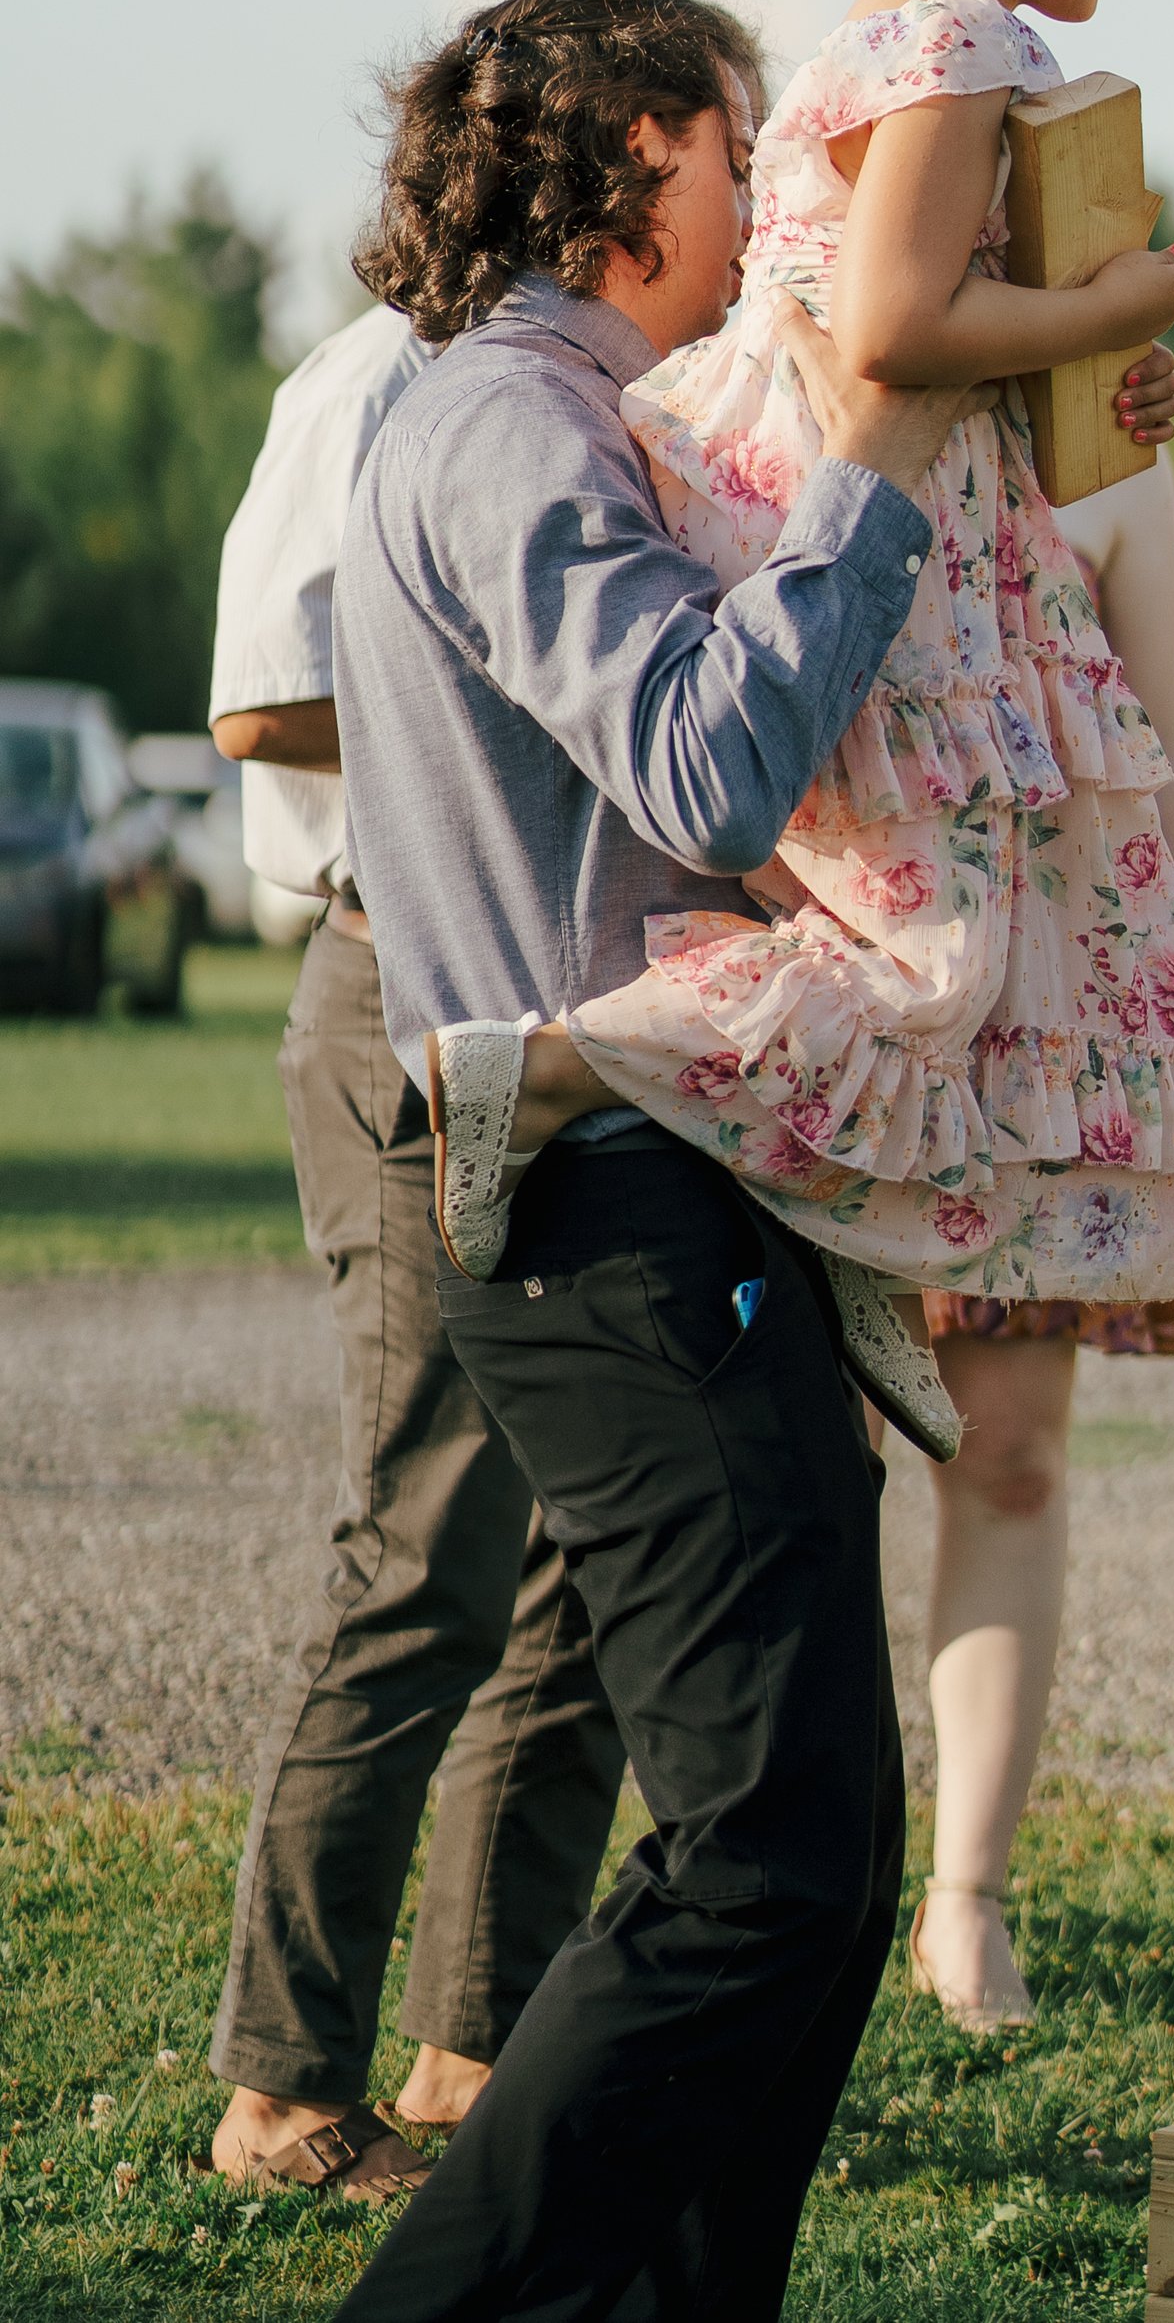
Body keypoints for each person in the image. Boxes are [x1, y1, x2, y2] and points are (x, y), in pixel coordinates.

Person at [424, 0, 1174, 1390]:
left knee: (918, 944)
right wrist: (1114, 299)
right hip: (865, 542)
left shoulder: (882, 31)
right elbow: (894, 326)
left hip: (815, 501)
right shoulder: (967, 43)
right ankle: (550, 1068)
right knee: (943, 955)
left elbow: (917, 326)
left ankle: (853, 1234)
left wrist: (1067, 359)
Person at [326, 0, 970, 2319]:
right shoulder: (508, 420)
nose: (769, 191)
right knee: (769, 1858)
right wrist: (879, 469)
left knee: (801, 1842)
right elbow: (699, 764)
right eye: (734, 145)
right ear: (623, 159)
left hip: (657, 1195)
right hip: (603, 1205)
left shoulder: (584, 411)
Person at [204, 303, 624, 2209]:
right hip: (401, 997)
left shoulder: (589, 375)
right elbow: (259, 698)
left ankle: (476, 2053)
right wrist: (535, 681)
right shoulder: (375, 380)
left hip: (560, 1017)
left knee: (577, 1567)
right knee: (424, 1553)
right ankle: (282, 2091)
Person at [907, 445, 1174, 2031]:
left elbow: (1167, 741)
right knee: (781, 1471)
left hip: (1040, 1022)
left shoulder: (1124, 452)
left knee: (1007, 1457)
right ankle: (756, 1876)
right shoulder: (772, 361)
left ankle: (965, 1896)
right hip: (830, 989)